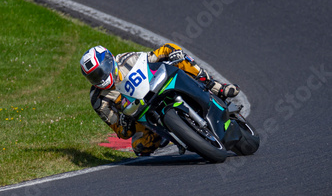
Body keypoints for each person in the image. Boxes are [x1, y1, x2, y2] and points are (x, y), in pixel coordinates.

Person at [79, 43, 240, 156]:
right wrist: (124, 120)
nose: (100, 78)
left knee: (181, 60)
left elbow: (159, 53)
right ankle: (174, 135)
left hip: (158, 86)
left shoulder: (126, 60)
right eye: (94, 76)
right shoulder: (98, 99)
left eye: (100, 72)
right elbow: (121, 131)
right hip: (141, 114)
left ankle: (216, 86)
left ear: (109, 61)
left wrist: (173, 52)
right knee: (140, 147)